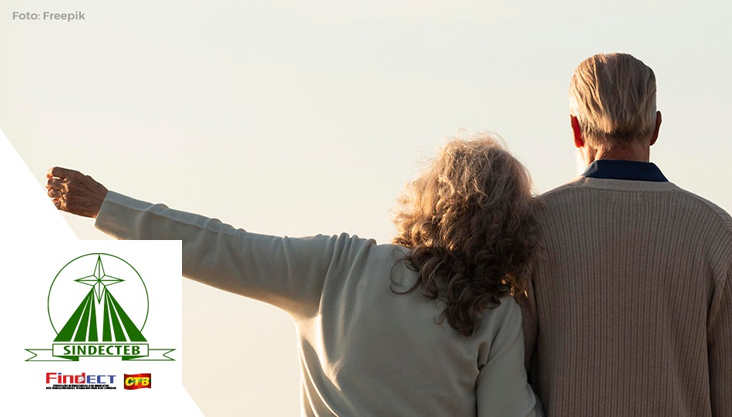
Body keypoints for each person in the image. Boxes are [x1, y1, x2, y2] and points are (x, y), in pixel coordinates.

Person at [47, 136, 545, 417]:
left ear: (427, 198)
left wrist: (110, 208)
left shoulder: (336, 267)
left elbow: (220, 247)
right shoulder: (496, 311)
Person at [521, 53, 732, 416]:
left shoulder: (533, 226)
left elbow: (508, 380)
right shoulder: (714, 231)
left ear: (575, 128)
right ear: (656, 127)